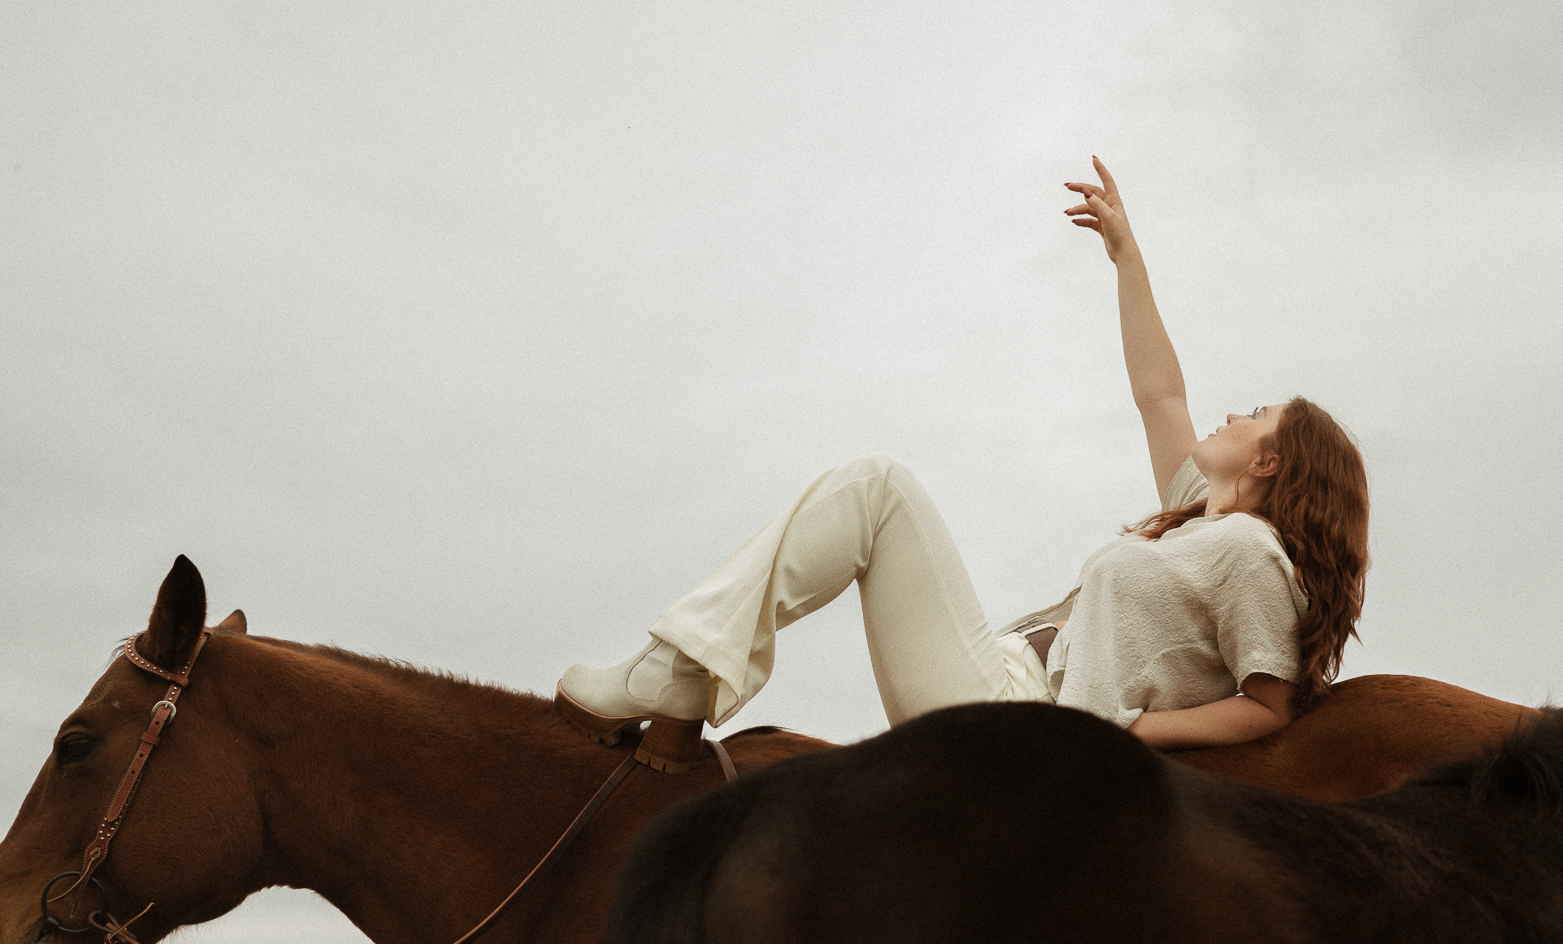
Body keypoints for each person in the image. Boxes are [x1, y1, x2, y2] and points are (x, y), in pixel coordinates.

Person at [558, 157, 1370, 751]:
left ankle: (677, 671)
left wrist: (1127, 732)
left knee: (879, 488)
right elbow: (1160, 394)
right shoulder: (1201, 517)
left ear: (1273, 464)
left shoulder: (1250, 552)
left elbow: (1270, 707)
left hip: (1029, 726)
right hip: (1004, 671)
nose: (1236, 412)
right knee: (874, 488)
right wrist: (1128, 257)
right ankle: (678, 670)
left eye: (1259, 415)